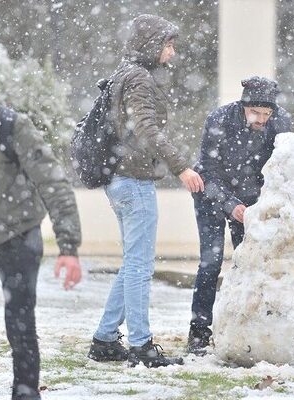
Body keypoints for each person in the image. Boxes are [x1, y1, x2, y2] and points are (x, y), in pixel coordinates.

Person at [0, 72, 82, 400]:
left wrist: (68, 246)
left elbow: (53, 182)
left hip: (18, 234)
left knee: (19, 321)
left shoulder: (11, 128)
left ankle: (25, 394)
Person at [87, 14, 203, 368]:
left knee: (132, 262)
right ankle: (141, 345)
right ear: (153, 45)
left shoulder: (125, 73)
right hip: (133, 182)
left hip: (120, 179)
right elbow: (147, 129)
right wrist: (181, 166)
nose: (172, 52)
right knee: (139, 265)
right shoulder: (138, 78)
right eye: (169, 45)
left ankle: (105, 339)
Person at [187, 76, 293, 355]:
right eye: (256, 113)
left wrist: (263, 203)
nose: (262, 119)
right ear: (244, 106)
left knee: (249, 262)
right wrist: (229, 203)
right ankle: (199, 329)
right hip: (210, 193)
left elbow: (282, 167)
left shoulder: (280, 122)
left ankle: (244, 324)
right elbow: (207, 170)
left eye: (267, 114)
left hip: (249, 200)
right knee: (210, 262)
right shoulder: (219, 119)